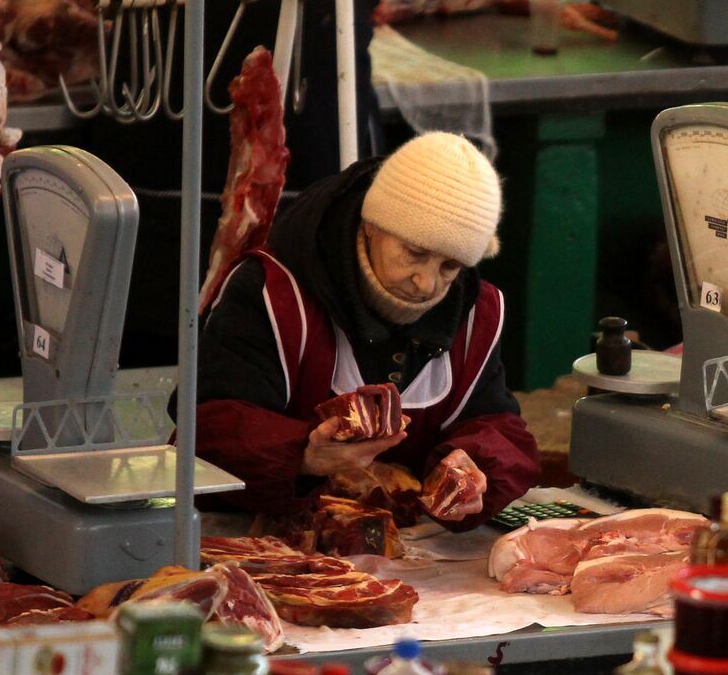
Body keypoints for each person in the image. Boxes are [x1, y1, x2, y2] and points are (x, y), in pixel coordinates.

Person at [194, 132, 540, 530]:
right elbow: (206, 434)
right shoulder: (272, 293)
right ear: (372, 225)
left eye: (450, 266)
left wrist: (475, 467)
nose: (427, 284)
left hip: (412, 557)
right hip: (263, 546)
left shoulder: (477, 313)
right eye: (415, 253)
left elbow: (496, 424)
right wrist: (302, 455)